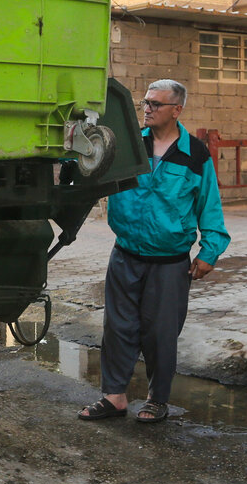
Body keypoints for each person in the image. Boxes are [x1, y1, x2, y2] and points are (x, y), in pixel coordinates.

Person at [78, 79, 229, 424]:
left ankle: (157, 399)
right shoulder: (129, 145)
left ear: (177, 110)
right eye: (145, 102)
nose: (147, 109)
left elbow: (211, 207)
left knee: (160, 333)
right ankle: (114, 397)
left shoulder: (196, 155)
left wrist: (210, 250)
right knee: (118, 328)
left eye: (155, 104)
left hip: (169, 262)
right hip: (126, 254)